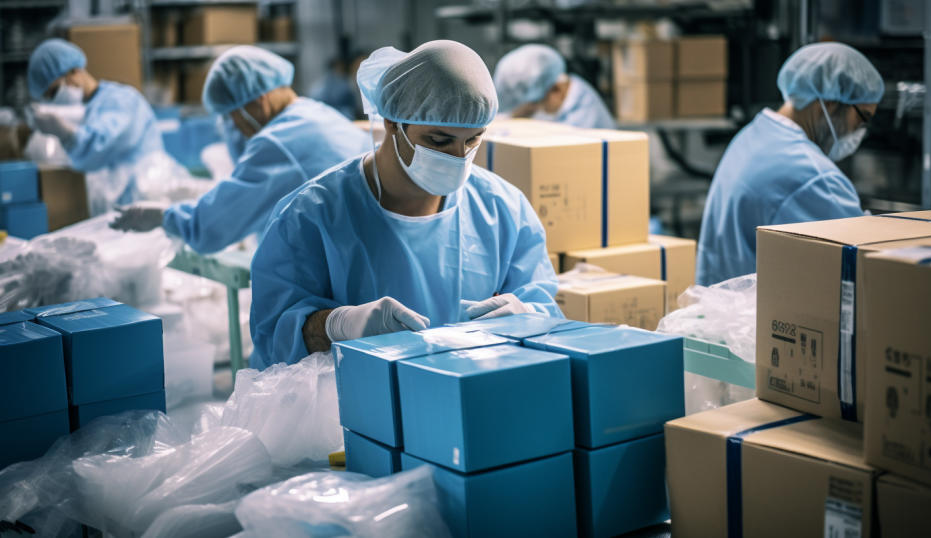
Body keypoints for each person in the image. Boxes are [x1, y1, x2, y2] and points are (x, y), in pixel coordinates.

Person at [250, 40, 562, 369]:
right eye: (438, 141)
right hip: (352, 408)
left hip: (470, 399)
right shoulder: (311, 216)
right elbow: (272, 334)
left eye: (472, 140)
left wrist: (529, 318)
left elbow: (545, 312)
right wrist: (337, 326)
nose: (458, 158)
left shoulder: (502, 209)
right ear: (392, 123)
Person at [111, 46, 371, 254]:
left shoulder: (277, 142)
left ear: (259, 101)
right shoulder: (319, 114)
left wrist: (165, 216)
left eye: (232, 116)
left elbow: (214, 225)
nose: (233, 127)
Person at [696, 42, 883, 285]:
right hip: (752, 319)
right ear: (830, 102)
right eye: (863, 117)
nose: (860, 130)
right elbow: (862, 267)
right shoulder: (812, 177)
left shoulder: (752, 135)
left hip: (718, 309)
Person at [27, 38, 164, 212]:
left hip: (144, 193)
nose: (54, 100)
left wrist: (66, 133)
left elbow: (100, 143)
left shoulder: (121, 99)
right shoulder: (93, 106)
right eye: (49, 96)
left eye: (55, 91)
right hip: (125, 199)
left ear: (75, 72)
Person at [493, 44, 615, 129]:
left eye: (535, 104)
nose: (533, 110)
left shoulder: (583, 120)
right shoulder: (567, 90)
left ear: (557, 90)